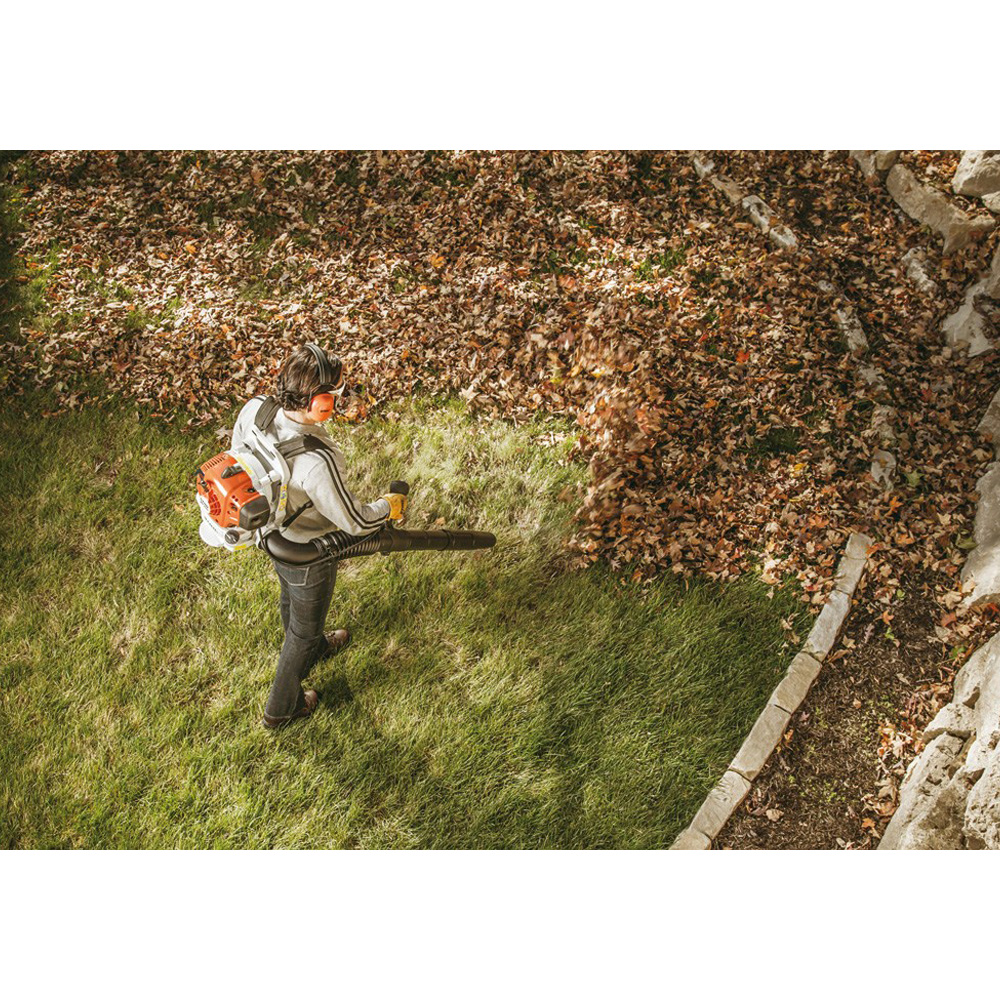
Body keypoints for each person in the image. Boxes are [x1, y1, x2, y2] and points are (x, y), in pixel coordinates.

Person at [230, 343, 408, 730]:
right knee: (303, 629)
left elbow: (237, 460)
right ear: (319, 403)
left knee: (290, 597)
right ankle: (282, 708)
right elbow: (355, 522)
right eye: (336, 394)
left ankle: (314, 646)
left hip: (271, 534)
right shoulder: (316, 461)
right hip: (308, 552)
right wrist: (386, 506)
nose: (338, 401)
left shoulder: (255, 409)